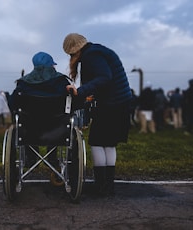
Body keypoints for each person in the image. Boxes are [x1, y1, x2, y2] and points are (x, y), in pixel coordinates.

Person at [63, 33, 132, 197]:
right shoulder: (97, 51)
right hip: (119, 102)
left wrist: (79, 92)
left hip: (111, 103)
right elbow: (102, 81)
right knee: (108, 144)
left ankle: (101, 184)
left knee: (96, 142)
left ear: (75, 51)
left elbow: (104, 77)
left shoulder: (91, 56)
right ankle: (108, 185)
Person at [8, 51, 72, 181]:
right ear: (51, 65)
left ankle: (31, 158)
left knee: (25, 122)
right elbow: (72, 103)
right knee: (57, 122)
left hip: (29, 129)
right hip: (57, 130)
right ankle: (52, 158)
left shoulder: (23, 83)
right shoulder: (62, 81)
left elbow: (13, 104)